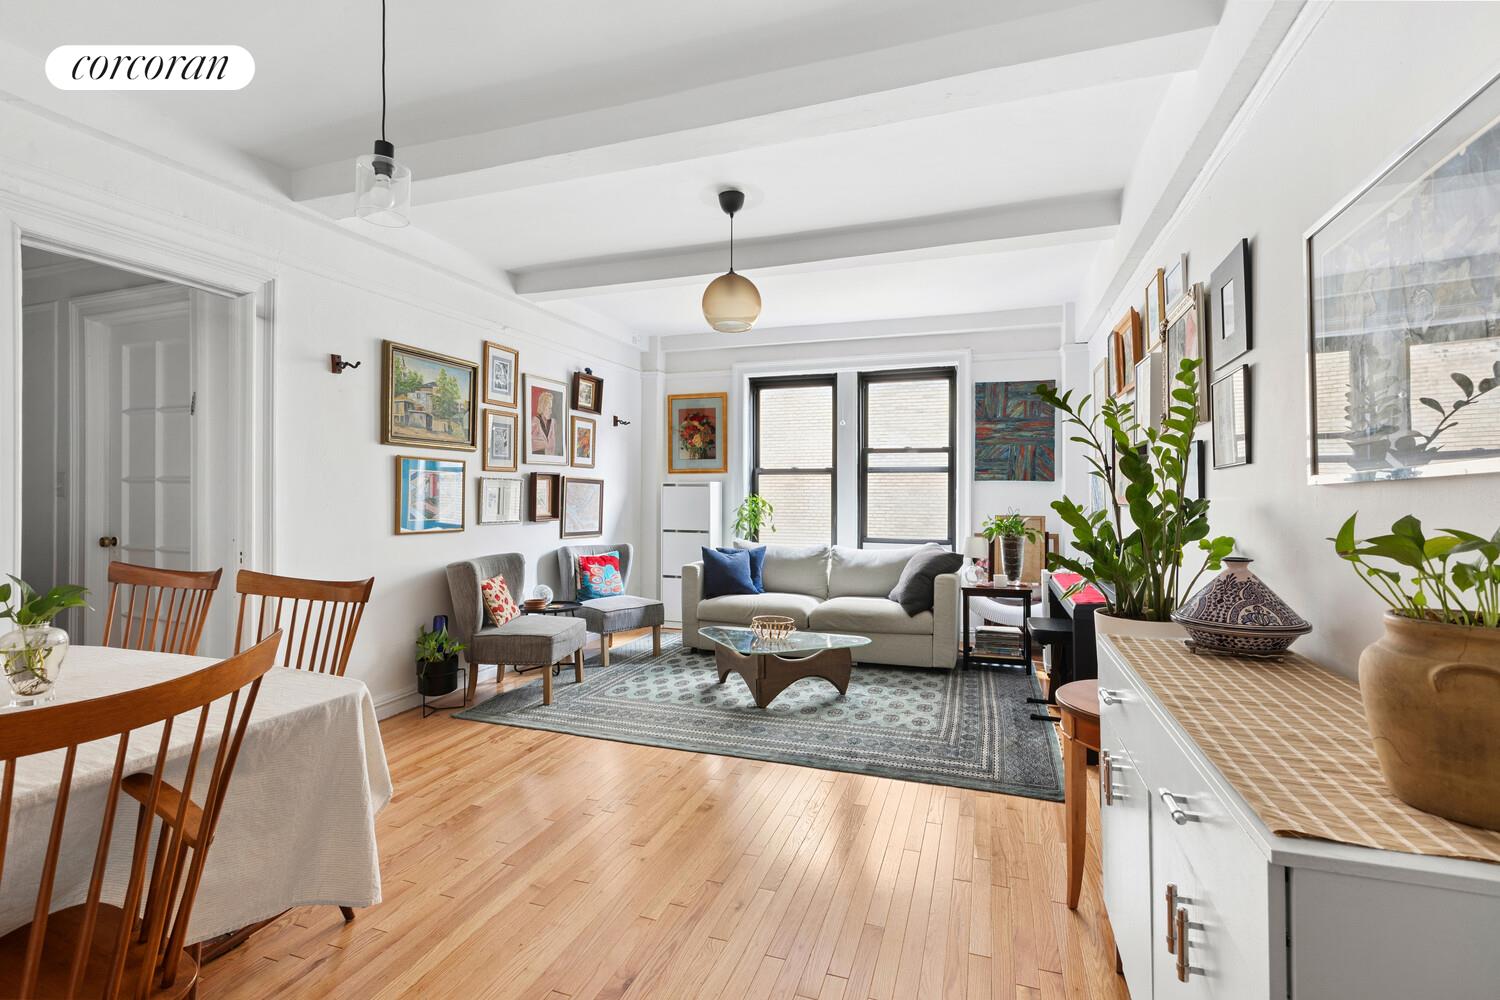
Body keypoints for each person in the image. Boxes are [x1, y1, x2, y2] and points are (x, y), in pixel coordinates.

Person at [531, 390, 558, 455]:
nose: (551, 412)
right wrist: (545, 444)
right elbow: (530, 443)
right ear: (542, 407)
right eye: (549, 408)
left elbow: (553, 445)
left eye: (551, 408)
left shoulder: (553, 423)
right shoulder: (535, 421)